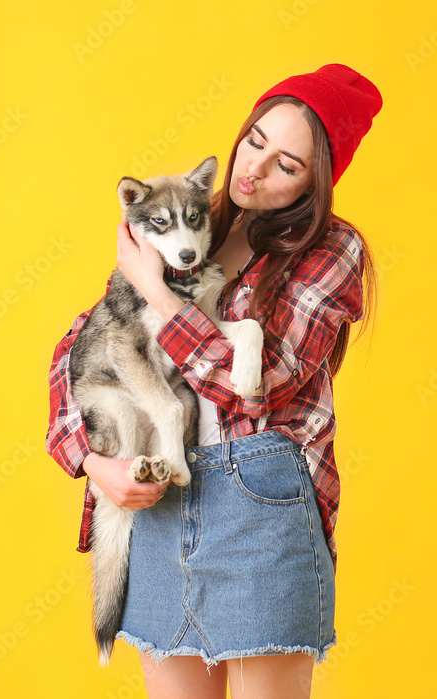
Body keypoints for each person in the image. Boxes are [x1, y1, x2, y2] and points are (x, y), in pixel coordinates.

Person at [46, 63, 382, 699]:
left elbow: (259, 386)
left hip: (260, 501)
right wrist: (93, 462)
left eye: (288, 165)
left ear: (319, 182)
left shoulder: (333, 252)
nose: (254, 168)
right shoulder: (194, 220)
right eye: (255, 140)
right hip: (162, 496)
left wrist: (153, 289)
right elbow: (81, 346)